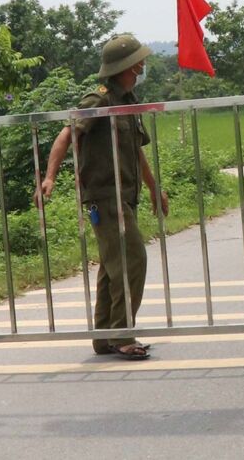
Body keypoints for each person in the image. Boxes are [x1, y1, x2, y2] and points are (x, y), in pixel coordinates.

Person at [38, 34, 169, 361]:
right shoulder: (98, 100)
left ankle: (104, 335)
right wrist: (50, 177)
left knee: (113, 265)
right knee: (132, 259)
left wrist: (154, 188)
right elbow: (67, 132)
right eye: (137, 62)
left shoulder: (128, 99)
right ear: (123, 66)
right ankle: (122, 335)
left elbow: (136, 149)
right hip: (105, 196)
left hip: (126, 196)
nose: (141, 67)